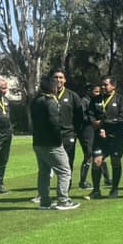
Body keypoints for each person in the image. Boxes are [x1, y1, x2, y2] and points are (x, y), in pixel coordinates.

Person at [29, 74, 80, 211]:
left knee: (44, 172)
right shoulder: (50, 101)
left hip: (38, 142)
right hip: (51, 143)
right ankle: (63, 200)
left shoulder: (36, 100)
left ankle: (45, 202)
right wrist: (58, 140)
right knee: (64, 171)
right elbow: (54, 123)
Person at [89, 76, 123, 199]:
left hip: (116, 136)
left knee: (115, 161)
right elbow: (90, 113)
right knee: (96, 162)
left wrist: (103, 124)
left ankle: (114, 189)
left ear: (113, 86)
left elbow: (122, 117)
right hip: (100, 137)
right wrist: (94, 123)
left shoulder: (121, 99)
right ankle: (96, 191)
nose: (103, 87)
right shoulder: (95, 100)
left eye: (105, 85)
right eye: (102, 85)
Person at [51, 68, 85, 190]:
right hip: (51, 135)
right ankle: (44, 191)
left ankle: (66, 189)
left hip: (68, 134)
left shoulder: (72, 95)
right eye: (56, 77)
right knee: (48, 164)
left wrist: (75, 132)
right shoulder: (48, 95)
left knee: (67, 162)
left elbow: (79, 116)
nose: (58, 80)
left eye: (60, 77)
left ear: (65, 80)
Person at [78, 83, 104, 190]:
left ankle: (107, 178)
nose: (98, 94)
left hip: (95, 130)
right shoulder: (84, 101)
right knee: (88, 155)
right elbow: (83, 117)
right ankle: (83, 181)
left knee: (99, 155)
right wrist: (93, 120)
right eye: (96, 91)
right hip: (86, 131)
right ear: (89, 91)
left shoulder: (97, 102)